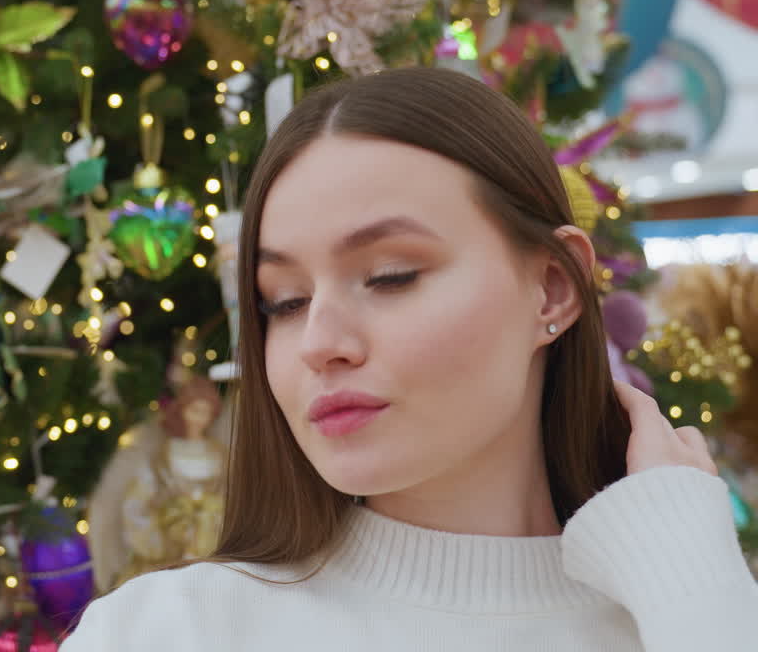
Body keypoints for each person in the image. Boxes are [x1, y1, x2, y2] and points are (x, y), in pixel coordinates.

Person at [61, 68, 758, 650]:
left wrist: (697, 583)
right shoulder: (162, 634)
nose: (319, 343)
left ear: (551, 286)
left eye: (391, 275)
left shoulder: (689, 617)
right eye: (283, 301)